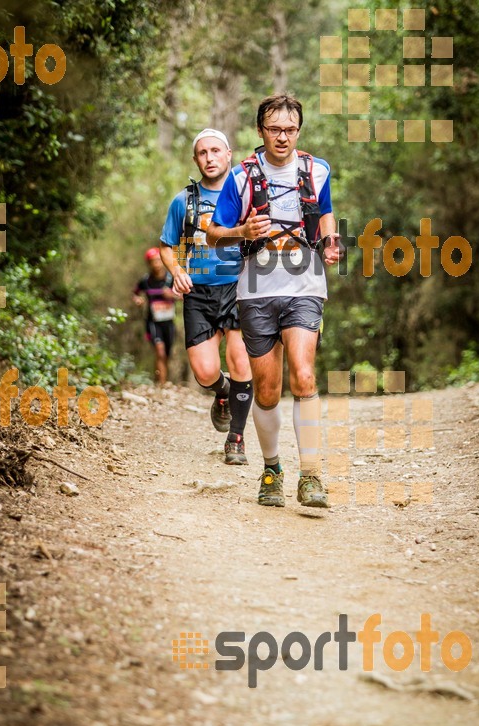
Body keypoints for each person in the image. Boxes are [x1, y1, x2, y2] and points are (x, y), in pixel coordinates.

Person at [207, 95, 342, 507]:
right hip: (257, 291)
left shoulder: (316, 170)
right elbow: (213, 232)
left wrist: (331, 242)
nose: (282, 137)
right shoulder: (241, 178)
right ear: (260, 131)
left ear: (298, 130)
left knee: (303, 374)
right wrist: (243, 231)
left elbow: (326, 214)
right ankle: (272, 469)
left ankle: (312, 476)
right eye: (274, 129)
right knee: (267, 391)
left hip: (305, 284)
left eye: (290, 129)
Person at [159, 129, 253, 465]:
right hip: (198, 291)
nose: (210, 158)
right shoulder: (183, 201)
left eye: (216, 151)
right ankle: (224, 393)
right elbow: (167, 246)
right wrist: (176, 270)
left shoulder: (245, 196)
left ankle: (236, 439)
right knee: (204, 372)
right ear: (195, 159)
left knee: (241, 361)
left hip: (239, 287)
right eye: (202, 152)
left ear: (229, 154)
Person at [132, 247, 177, 386]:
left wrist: (172, 295)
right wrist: (138, 300)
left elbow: (185, 295)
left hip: (169, 322)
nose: (156, 264)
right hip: (153, 322)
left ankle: (160, 378)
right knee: (160, 351)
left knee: (166, 354)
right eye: (153, 261)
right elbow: (135, 293)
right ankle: (161, 386)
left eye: (158, 260)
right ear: (149, 263)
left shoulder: (171, 279)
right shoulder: (145, 281)